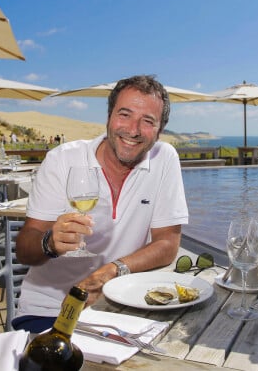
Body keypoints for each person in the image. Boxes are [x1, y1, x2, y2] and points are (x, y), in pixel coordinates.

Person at [13, 75, 188, 332]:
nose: (133, 129)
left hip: (122, 308)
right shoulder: (62, 159)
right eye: (124, 114)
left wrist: (111, 271)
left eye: (147, 121)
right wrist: (49, 243)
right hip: (51, 309)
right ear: (108, 117)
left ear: (160, 130)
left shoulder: (165, 158)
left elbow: (168, 244)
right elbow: (25, 250)